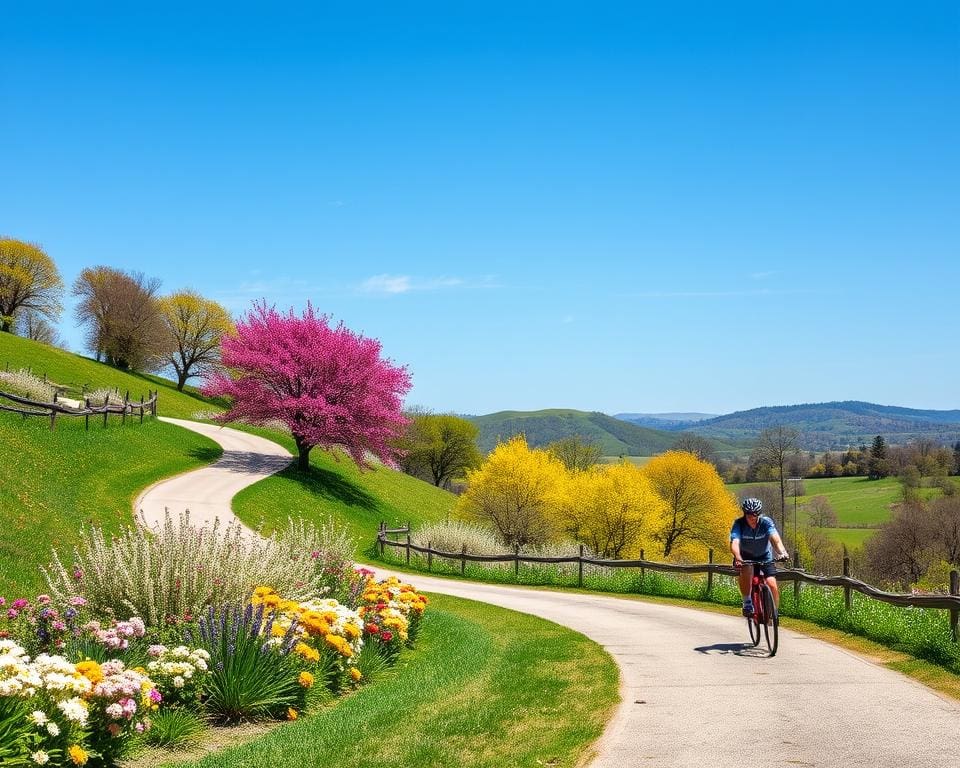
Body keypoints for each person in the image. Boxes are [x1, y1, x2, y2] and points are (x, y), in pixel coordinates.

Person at [730, 497, 789, 617]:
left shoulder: (766, 522)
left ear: (759, 514)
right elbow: (735, 542)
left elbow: (775, 539)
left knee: (772, 583)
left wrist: (782, 552)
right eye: (748, 514)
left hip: (764, 556)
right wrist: (738, 557)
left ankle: (774, 612)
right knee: (746, 570)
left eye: (755, 514)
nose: (752, 517)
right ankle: (747, 602)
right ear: (744, 513)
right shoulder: (739, 524)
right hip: (745, 558)